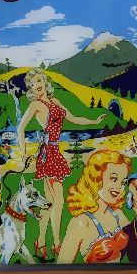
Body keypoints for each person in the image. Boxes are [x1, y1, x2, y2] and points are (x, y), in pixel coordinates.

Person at [16, 69, 104, 259]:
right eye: (33, 83)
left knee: (50, 203)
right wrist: (23, 154)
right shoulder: (35, 105)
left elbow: (73, 118)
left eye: (39, 80)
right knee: (58, 200)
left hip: (55, 152)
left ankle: (41, 241)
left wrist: (93, 120)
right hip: (47, 154)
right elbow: (20, 128)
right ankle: (56, 241)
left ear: (45, 82)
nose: (37, 85)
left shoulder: (55, 101)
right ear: (30, 87)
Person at [57, 150, 131, 264]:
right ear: (96, 178)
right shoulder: (81, 223)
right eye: (113, 179)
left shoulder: (118, 214)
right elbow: (61, 268)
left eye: (123, 182)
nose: (119, 187)